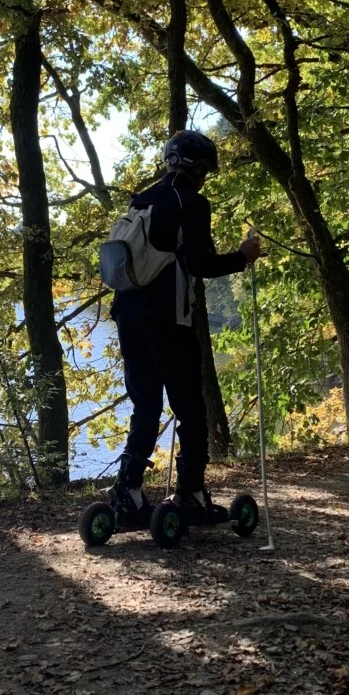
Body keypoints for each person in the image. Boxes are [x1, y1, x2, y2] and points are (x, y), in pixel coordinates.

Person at [110, 130, 262, 528]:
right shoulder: (190, 202)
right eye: (206, 171)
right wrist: (242, 258)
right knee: (191, 409)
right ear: (198, 170)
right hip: (167, 320)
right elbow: (200, 264)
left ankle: (128, 494)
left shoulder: (142, 198)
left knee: (146, 405)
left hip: (128, 314)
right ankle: (191, 494)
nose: (205, 178)